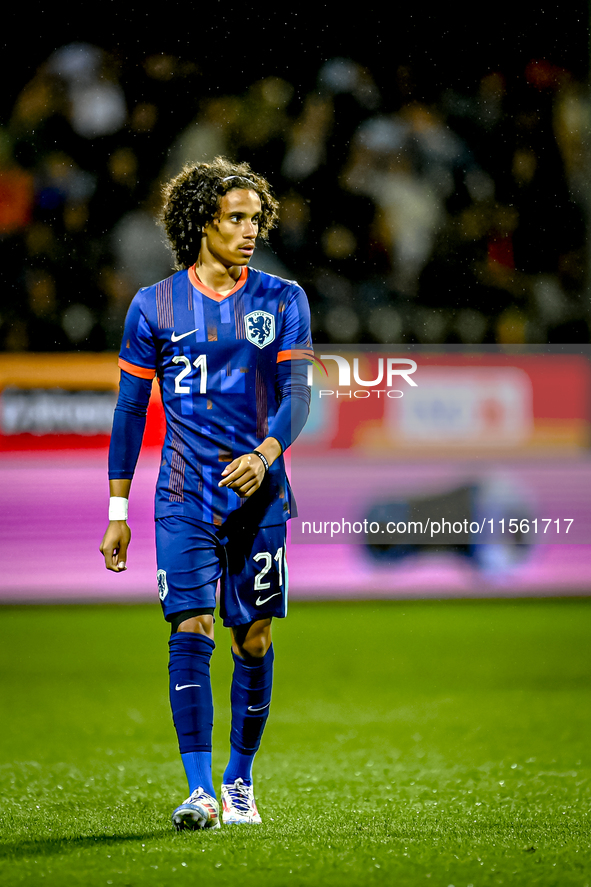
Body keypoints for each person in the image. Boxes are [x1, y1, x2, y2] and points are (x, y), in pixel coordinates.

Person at [99, 157, 312, 830]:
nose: (250, 231)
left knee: (252, 638)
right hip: (183, 496)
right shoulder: (152, 306)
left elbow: (297, 395)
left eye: (256, 218)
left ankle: (239, 778)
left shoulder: (283, 299)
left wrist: (264, 453)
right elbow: (131, 411)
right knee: (188, 630)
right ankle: (197, 790)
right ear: (202, 222)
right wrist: (117, 510)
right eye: (237, 218)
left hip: (260, 496)